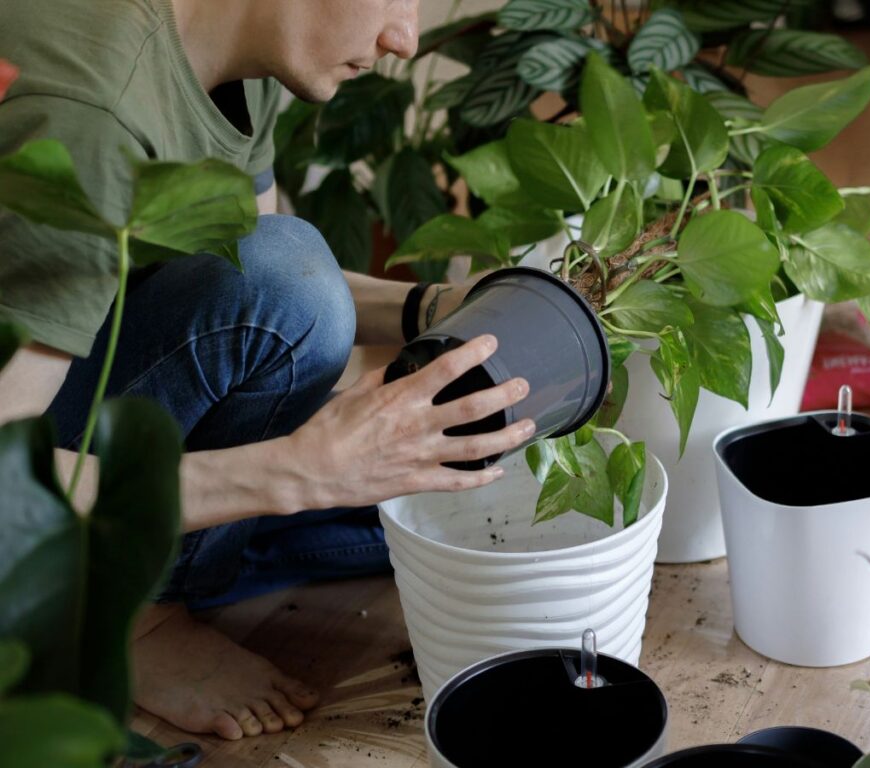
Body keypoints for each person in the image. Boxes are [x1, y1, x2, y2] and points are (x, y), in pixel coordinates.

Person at [0, 0, 534, 742]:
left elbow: (251, 279)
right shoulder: (91, 112)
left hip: (69, 395)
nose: (405, 40)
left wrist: (432, 307)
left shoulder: (234, 48)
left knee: (441, 507)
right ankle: (134, 618)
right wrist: (300, 472)